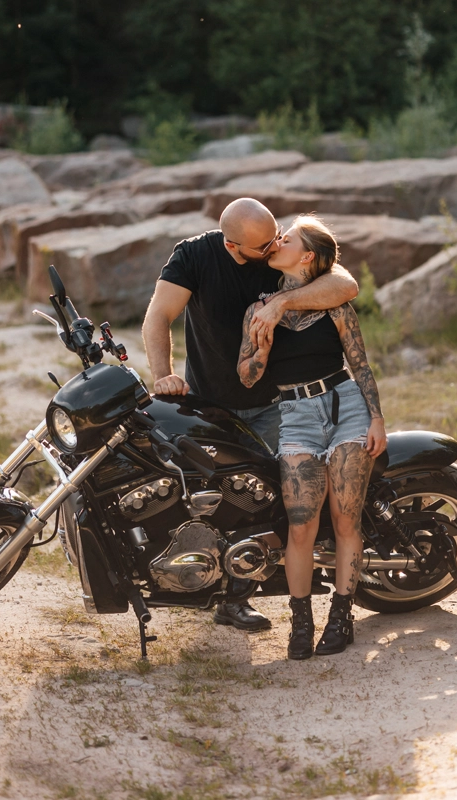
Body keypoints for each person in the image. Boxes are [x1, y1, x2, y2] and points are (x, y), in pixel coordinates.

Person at [142, 198, 358, 632]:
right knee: (224, 505)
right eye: (262, 246)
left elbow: (346, 285)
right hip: (212, 405)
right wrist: (163, 375)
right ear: (232, 246)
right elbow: (158, 316)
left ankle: (245, 597)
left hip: (281, 403)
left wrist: (281, 304)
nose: (273, 247)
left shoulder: (277, 252)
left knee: (281, 500)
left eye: (277, 236)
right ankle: (215, 586)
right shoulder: (194, 255)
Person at [237, 215, 387, 659]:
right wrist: (259, 348)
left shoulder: (334, 303)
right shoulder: (258, 309)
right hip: (296, 414)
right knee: (301, 525)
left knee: (345, 519)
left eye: (288, 237)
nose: (276, 239)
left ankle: (342, 616)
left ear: (306, 256)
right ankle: (300, 621)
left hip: (346, 408)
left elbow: (359, 364)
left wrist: (376, 417)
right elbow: (247, 378)